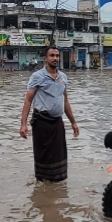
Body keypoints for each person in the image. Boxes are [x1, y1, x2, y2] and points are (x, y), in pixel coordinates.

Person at [19, 46, 80, 181]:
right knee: (43, 154)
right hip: (41, 121)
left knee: (59, 152)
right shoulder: (37, 76)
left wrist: (73, 123)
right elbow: (28, 100)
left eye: (57, 56)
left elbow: (65, 101)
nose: (55, 58)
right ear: (45, 58)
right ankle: (42, 181)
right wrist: (23, 124)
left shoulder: (63, 77)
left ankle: (57, 182)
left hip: (57, 122)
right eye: (52, 55)